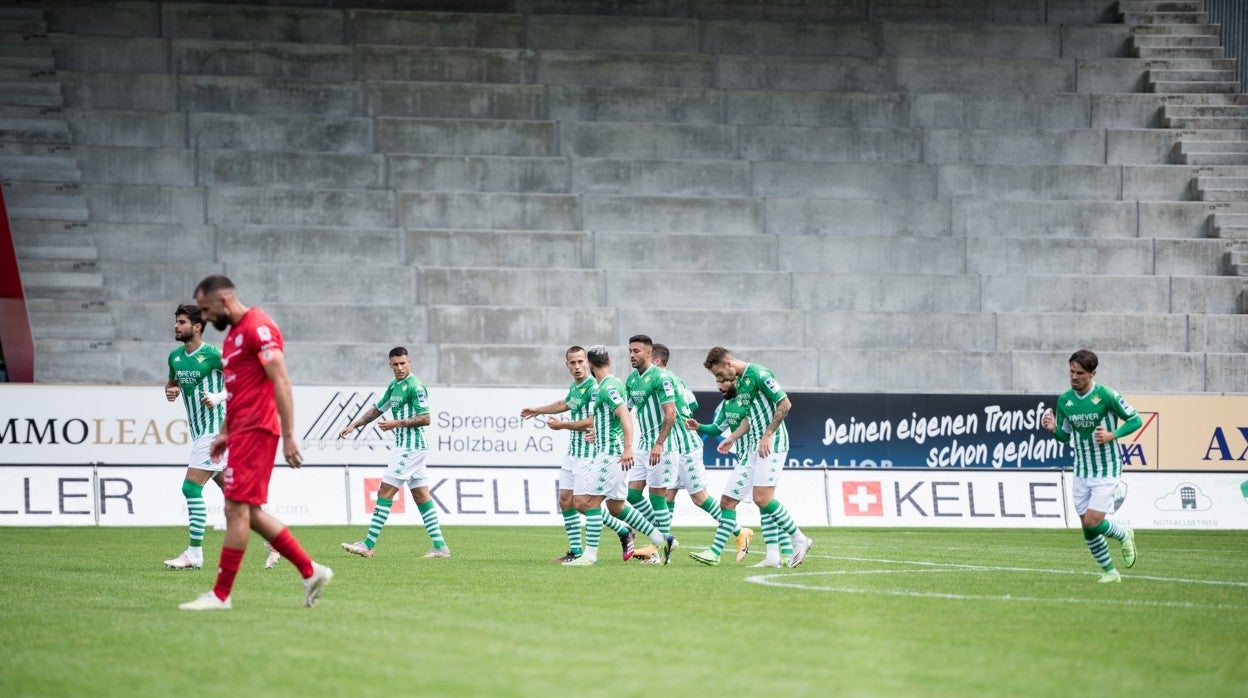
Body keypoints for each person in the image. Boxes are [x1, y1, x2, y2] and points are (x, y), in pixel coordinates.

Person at [179, 275, 332, 611]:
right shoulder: (233, 338)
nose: (203, 318)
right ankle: (311, 571)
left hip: (259, 430)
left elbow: (281, 380)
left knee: (235, 509)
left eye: (205, 309)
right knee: (249, 511)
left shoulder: (258, 327)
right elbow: (237, 393)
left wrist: (290, 435)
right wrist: (224, 433)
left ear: (224, 300)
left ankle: (220, 595)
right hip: (241, 431)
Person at [520, 346, 635, 563]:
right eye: (572, 363)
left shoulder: (595, 387)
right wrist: (538, 410)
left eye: (580, 362)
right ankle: (575, 551)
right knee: (565, 501)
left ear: (588, 363)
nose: (577, 367)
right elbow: (564, 403)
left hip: (591, 453)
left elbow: (594, 421)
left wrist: (563, 425)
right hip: (573, 452)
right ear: (567, 365)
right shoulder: (576, 387)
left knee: (583, 503)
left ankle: (622, 531)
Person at [701, 346, 813, 568]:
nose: (719, 379)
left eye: (719, 374)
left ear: (728, 364)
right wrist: (731, 437)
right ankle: (772, 556)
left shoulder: (760, 374)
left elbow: (785, 403)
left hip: (772, 444)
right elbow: (749, 420)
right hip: (752, 448)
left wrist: (768, 434)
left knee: (762, 498)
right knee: (728, 500)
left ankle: (799, 538)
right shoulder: (741, 383)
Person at [563, 345, 673, 566]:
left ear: (591, 365)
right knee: (616, 507)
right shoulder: (612, 384)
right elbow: (612, 418)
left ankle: (589, 556)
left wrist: (627, 448)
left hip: (611, 454)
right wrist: (602, 434)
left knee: (589, 503)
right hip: (613, 451)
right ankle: (662, 538)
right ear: (609, 361)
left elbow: (624, 414)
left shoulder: (607, 387)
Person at [339, 347, 449, 559]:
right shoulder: (394, 386)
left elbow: (426, 418)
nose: (399, 368)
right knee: (420, 495)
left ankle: (368, 544)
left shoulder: (415, 387)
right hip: (409, 446)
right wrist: (356, 424)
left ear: (410, 362)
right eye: (395, 364)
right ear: (390, 365)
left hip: (412, 446)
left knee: (385, 491)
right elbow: (377, 409)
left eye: (403, 363)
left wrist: (396, 423)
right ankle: (440, 547)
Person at [1041, 349, 1141, 583]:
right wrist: (1052, 428)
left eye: (1080, 373)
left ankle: (1124, 534)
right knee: (1087, 528)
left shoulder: (1106, 395)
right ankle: (1110, 572)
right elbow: (1065, 436)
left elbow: (1135, 419)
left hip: (1107, 467)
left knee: (1093, 521)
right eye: (1071, 371)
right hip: (1082, 469)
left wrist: (1112, 434)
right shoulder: (1064, 400)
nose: (1074, 377)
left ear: (1092, 373)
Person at [651, 343, 752, 561]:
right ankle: (661, 546)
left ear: (656, 360)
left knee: (699, 498)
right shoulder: (677, 379)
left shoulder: (660, 380)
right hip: (673, 445)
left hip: (685, 446)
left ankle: (739, 531)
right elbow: (693, 402)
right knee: (667, 493)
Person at [162, 303, 228, 570]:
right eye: (176, 322)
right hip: (200, 431)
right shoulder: (175, 357)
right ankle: (276, 541)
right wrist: (170, 391)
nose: (176, 326)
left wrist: (219, 395)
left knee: (190, 487)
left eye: (181, 322)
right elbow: (173, 383)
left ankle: (194, 554)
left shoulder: (213, 355)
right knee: (235, 492)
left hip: (215, 430)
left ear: (197, 327)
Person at [623, 335, 678, 539]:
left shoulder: (660, 377)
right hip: (643, 445)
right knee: (632, 494)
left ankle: (661, 547)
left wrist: (659, 444)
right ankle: (662, 534)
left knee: (657, 498)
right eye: (630, 351)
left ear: (649, 353)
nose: (632, 355)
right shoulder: (631, 380)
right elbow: (625, 412)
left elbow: (671, 413)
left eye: (636, 351)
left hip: (661, 446)